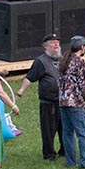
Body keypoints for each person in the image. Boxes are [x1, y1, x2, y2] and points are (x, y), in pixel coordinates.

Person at [18, 33, 64, 161]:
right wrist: (21, 90)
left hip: (63, 101)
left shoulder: (63, 59)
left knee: (65, 128)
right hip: (48, 103)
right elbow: (30, 77)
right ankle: (49, 154)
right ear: (45, 46)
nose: (56, 44)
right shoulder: (40, 61)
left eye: (57, 42)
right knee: (49, 130)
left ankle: (64, 151)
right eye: (52, 42)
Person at [57, 37, 85, 169]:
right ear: (82, 47)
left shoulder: (64, 61)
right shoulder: (80, 62)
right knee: (83, 133)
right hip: (76, 103)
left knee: (67, 133)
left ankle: (70, 161)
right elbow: (84, 85)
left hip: (63, 102)